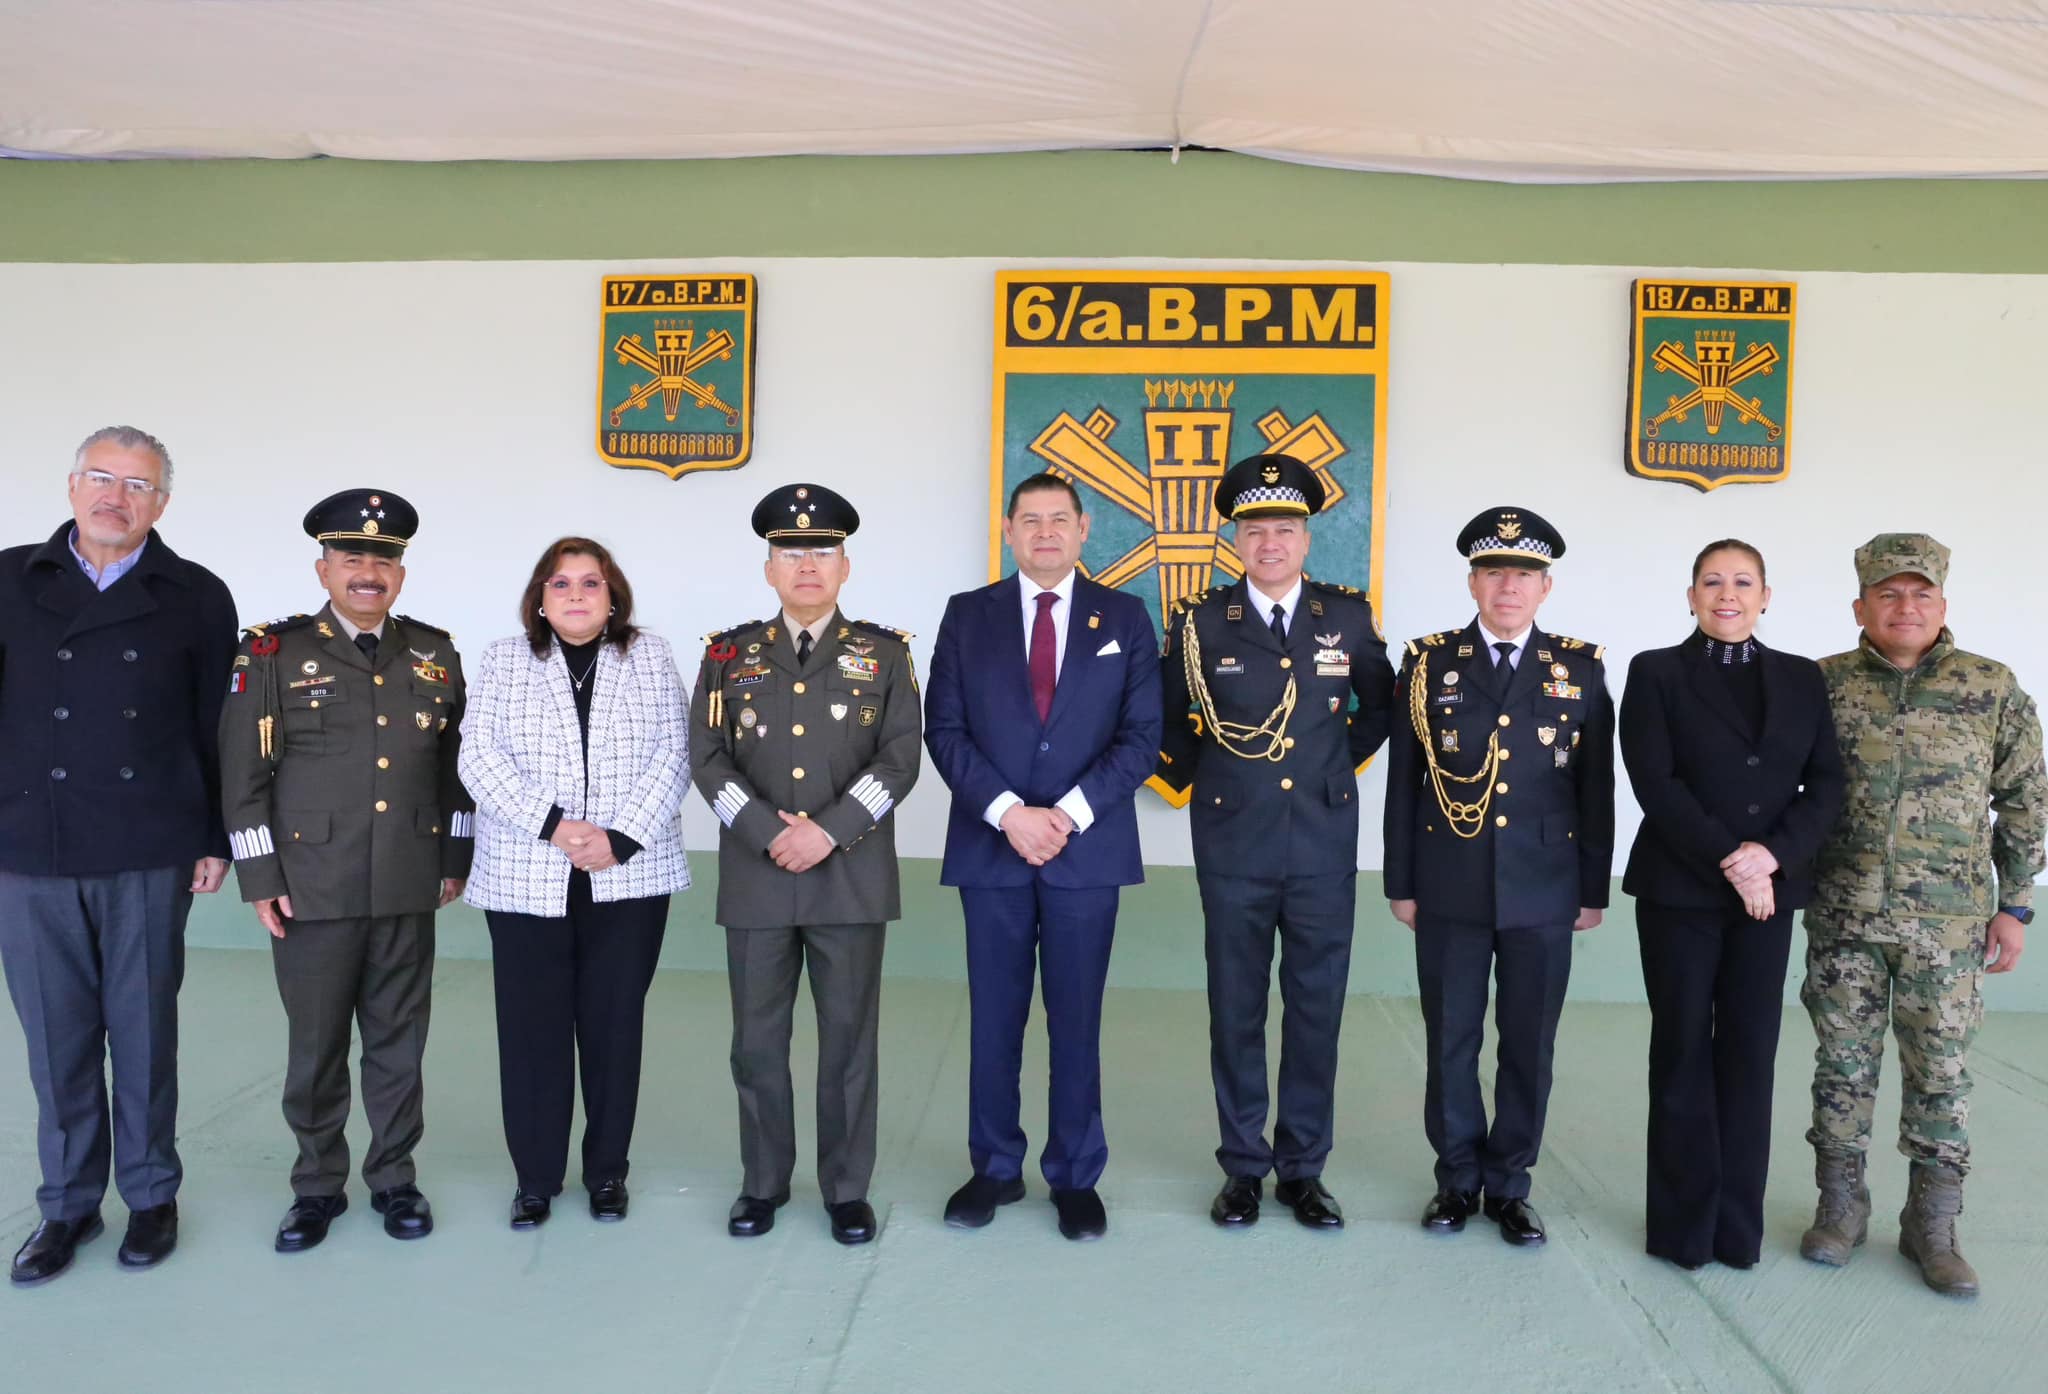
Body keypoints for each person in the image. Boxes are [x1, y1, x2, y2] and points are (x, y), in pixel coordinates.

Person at [1, 426, 237, 1285]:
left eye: (137, 485)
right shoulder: (7, 578)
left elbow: (219, 727)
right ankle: (66, 1207)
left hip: (148, 842)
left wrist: (215, 836)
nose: (116, 496)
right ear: (71, 486)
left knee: (142, 1033)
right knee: (55, 1041)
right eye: (101, 478)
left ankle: (149, 1197)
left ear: (161, 504)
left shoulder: (198, 595)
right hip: (31, 844)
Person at [219, 489, 474, 1253]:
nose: (369, 572)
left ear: (401, 572)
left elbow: (455, 771)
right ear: (324, 567)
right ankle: (316, 1187)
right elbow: (243, 775)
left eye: (384, 560)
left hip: (407, 878)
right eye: (353, 557)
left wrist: (453, 857)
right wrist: (261, 878)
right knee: (319, 1045)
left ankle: (394, 1178)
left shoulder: (435, 651)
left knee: (399, 1042)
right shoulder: (271, 652)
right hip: (310, 885)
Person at [1798, 533, 2047, 1297]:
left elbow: (2027, 799)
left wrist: (2015, 905)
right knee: (1841, 1069)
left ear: (1943, 604)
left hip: (1950, 927)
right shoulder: (1822, 686)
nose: (1905, 606)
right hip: (1845, 918)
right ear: (1860, 606)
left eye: (1920, 594)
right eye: (1888, 593)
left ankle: (1931, 1228)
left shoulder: (1990, 686)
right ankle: (1841, 1211)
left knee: (1940, 1075)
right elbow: (1784, 790)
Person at [1156, 453, 1394, 1230]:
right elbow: (1167, 719)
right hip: (1233, 841)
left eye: (1284, 529)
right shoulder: (1198, 622)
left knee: (1315, 1007)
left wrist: (1332, 766)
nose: (1270, 542)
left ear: (1306, 539)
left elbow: (1383, 710)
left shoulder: (1347, 618)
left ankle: (1303, 1168)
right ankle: (1241, 1169)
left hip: (1323, 843)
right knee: (1237, 1007)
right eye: (1256, 529)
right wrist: (1219, 779)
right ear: (1236, 538)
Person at [925, 472, 1163, 1241]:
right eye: (1030, 520)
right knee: (994, 1018)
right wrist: (1006, 814)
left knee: (1077, 1019)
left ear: (1085, 528)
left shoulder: (1125, 616)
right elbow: (946, 730)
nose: (1046, 532)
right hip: (992, 851)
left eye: (1059, 519)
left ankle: (1074, 1174)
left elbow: (1142, 738)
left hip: (1084, 854)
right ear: (1008, 530)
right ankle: (993, 1167)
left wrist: (1062, 816)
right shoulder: (969, 617)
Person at [689, 484, 921, 1245]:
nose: (807, 566)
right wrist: (765, 831)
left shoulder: (884, 654)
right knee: (756, 1043)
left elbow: (900, 759)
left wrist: (829, 831)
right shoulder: (727, 655)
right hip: (758, 877)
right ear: (769, 569)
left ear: (845, 565)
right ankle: (762, 1184)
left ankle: (846, 1189)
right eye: (792, 553)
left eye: (821, 552)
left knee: (849, 1043)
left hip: (848, 874)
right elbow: (708, 759)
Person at [1384, 506, 1613, 1247]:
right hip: (1449, 882)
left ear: (1546, 587)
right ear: (1473, 582)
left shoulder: (1580, 670)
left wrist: (1590, 890)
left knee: (1527, 1043)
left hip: (1544, 889)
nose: (1507, 586)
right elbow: (1405, 783)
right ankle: (1456, 1180)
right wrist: (1401, 881)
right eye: (1493, 572)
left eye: (1522, 574)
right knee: (1451, 1037)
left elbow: (1596, 791)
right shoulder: (1427, 666)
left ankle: (1510, 1184)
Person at [1619, 539, 1843, 1271]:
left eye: (1743, 582)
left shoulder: (1802, 679)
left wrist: (1771, 857)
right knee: (1683, 1051)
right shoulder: (1654, 673)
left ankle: (1735, 1231)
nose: (1728, 594)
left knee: (1751, 1055)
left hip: (1769, 894)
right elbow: (1656, 782)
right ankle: (1683, 1230)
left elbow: (1827, 785)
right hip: (1680, 890)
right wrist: (1731, 860)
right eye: (1712, 581)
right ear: (1690, 596)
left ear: (1766, 595)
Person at [458, 537, 691, 1230]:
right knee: (533, 1031)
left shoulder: (649, 656)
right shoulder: (505, 658)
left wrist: (618, 838)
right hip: (529, 871)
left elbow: (677, 750)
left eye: (591, 583)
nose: (577, 595)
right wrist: (557, 826)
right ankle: (535, 1178)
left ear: (612, 596)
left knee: (614, 1027)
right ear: (540, 598)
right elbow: (478, 757)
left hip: (629, 871)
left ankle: (607, 1173)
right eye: (560, 584)